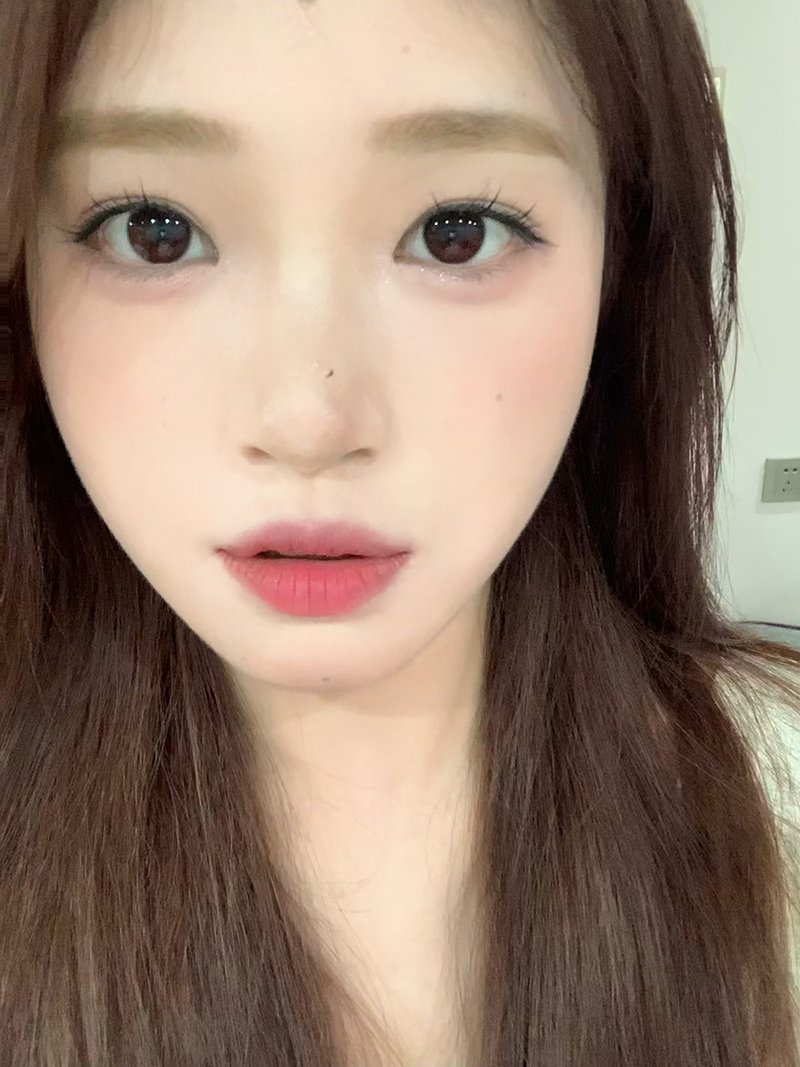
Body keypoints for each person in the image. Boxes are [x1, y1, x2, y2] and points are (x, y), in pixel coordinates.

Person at [2, 0, 799, 1064]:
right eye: (155, 230)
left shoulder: (777, 806)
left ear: (622, 266)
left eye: (455, 230)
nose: (309, 419)